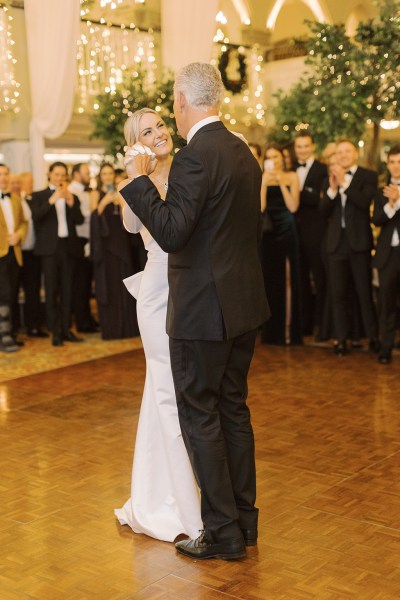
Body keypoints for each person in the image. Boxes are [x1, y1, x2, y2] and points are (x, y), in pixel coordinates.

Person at [119, 62, 269, 561]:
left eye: (172, 107)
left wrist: (138, 182)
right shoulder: (242, 151)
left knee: (200, 417)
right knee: (233, 412)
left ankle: (223, 533)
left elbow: (172, 233)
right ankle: (244, 524)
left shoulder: (194, 157)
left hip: (203, 312)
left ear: (182, 101)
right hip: (243, 306)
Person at [114, 108, 202, 541]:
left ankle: (168, 490)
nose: (159, 134)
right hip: (157, 296)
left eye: (161, 126)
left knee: (183, 392)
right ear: (137, 143)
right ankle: (182, 510)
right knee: (166, 391)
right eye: (146, 132)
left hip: (196, 290)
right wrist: (136, 175)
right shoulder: (134, 185)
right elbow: (133, 224)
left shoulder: (191, 166)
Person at [320, 139, 379, 356]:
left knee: (364, 293)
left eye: (347, 151)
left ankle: (374, 337)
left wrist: (345, 182)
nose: (343, 155)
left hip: (359, 244)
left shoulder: (367, 175)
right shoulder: (331, 177)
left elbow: (364, 203)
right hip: (336, 244)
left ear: (356, 153)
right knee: (338, 295)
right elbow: (323, 211)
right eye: (340, 152)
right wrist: (333, 189)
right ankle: (341, 339)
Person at [31, 162, 84, 346]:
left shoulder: (73, 196)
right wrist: (52, 200)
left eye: (63, 175)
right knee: (52, 290)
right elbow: (36, 217)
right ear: (50, 175)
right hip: (49, 250)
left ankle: (66, 328)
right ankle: (55, 332)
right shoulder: (39, 196)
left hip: (67, 248)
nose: (60, 178)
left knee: (68, 290)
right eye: (57, 174)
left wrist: (70, 202)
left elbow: (79, 220)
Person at [90, 163, 139, 340]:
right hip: (105, 245)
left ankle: (128, 327)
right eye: (104, 173)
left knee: (123, 282)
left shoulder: (120, 190)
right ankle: (112, 329)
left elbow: (128, 219)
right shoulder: (96, 194)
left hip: (121, 242)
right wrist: (104, 202)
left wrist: (120, 203)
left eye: (110, 173)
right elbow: (93, 217)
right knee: (109, 284)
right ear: (100, 176)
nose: (108, 176)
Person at [260, 143, 302, 345]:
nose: (273, 161)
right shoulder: (261, 177)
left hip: (287, 227)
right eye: (269, 157)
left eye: (276, 157)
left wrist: (281, 183)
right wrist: (264, 183)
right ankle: (272, 332)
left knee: (288, 278)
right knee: (270, 278)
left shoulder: (292, 176)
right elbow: (260, 207)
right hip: (269, 230)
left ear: (282, 159)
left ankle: (289, 330)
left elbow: (293, 206)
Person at [294, 132, 328, 339]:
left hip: (316, 233)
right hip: (294, 234)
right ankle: (304, 325)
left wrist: (297, 190)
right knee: (301, 281)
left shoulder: (322, 170)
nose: (303, 150)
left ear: (313, 147)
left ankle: (321, 325)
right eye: (299, 146)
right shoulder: (289, 170)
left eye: (306, 146)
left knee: (320, 279)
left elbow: (319, 199)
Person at [372, 145, 400, 364]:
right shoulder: (382, 190)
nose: (395, 166)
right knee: (386, 303)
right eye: (392, 162)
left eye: (399, 162)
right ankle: (386, 347)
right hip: (387, 255)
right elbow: (377, 220)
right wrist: (392, 203)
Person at [0, 164, 27, 353]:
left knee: (11, 293)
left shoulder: (16, 198)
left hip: (14, 252)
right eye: (0, 174)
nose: (3, 177)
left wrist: (19, 234)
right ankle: (4, 334)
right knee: (3, 294)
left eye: (5, 174)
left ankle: (9, 331)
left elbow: (24, 222)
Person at [68, 163, 98, 333]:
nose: (89, 175)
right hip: (79, 242)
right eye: (86, 172)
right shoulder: (72, 191)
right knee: (80, 284)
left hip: (89, 241)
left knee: (86, 284)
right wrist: (93, 210)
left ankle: (87, 318)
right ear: (77, 174)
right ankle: (82, 321)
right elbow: (80, 217)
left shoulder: (87, 191)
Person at [19, 172, 48, 338]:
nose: (30, 185)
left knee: (33, 289)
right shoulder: (16, 201)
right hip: (17, 251)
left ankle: (33, 325)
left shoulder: (33, 200)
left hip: (33, 251)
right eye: (27, 182)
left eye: (31, 182)